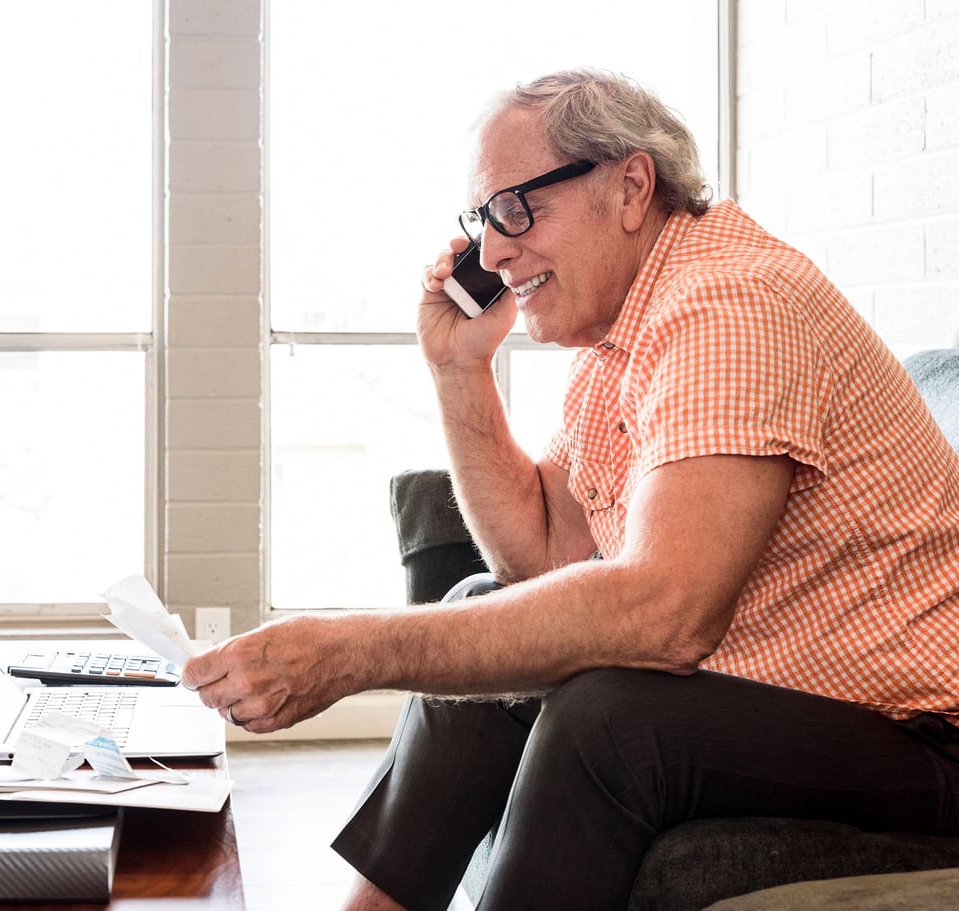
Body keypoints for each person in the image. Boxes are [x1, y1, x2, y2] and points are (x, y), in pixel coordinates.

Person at [181, 69, 959, 910]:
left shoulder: (732, 304)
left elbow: (666, 610)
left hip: (922, 734)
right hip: (793, 701)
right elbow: (537, 559)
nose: (491, 252)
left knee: (610, 717)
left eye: (515, 209)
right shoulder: (620, 334)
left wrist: (351, 652)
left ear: (629, 186)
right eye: (482, 221)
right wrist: (457, 369)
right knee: (479, 605)